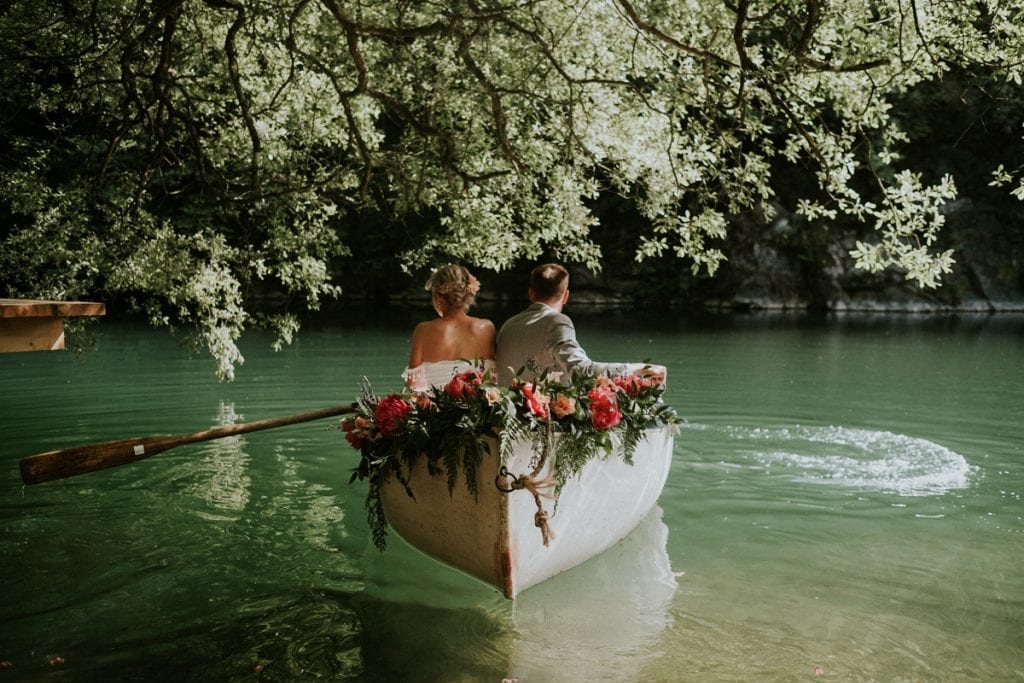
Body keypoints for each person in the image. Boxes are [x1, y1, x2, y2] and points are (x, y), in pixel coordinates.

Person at [495, 263, 665, 386]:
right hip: (547, 423)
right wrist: (638, 369)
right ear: (566, 296)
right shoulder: (557, 322)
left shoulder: (508, 325)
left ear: (531, 294)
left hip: (509, 420)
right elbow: (582, 371)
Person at [402, 264, 497, 392]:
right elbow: (493, 380)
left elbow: (413, 386)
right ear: (469, 293)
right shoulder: (486, 328)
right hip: (477, 410)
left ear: (438, 298)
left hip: (437, 411)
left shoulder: (423, 330)